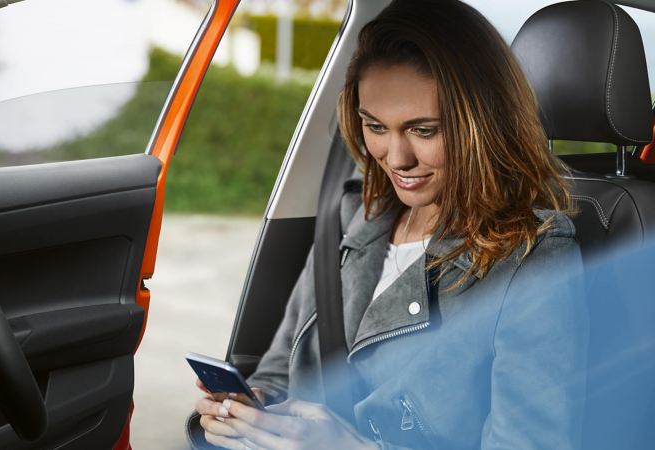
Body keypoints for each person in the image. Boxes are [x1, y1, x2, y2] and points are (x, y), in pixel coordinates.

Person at [194, 0, 588, 448]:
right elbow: (280, 368)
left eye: (424, 130)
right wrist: (255, 408)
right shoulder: (352, 215)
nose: (396, 159)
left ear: (483, 124)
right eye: (375, 126)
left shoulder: (533, 260)